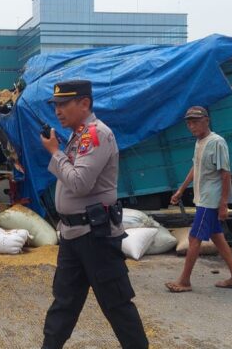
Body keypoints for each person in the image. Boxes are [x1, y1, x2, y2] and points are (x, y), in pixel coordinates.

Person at [40, 80, 148, 349]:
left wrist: (55, 153)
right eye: (56, 105)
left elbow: (79, 183)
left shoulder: (95, 135)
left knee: (116, 304)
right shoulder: (78, 136)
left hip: (95, 236)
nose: (58, 111)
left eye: (64, 104)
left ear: (85, 103)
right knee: (64, 303)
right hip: (73, 235)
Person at [165, 106, 232, 293]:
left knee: (194, 238)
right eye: (189, 123)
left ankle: (184, 281)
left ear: (207, 121)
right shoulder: (199, 142)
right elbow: (196, 167)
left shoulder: (216, 142)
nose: (192, 126)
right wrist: (181, 190)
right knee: (217, 237)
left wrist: (223, 204)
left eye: (196, 122)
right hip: (203, 198)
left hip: (211, 200)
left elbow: (225, 174)